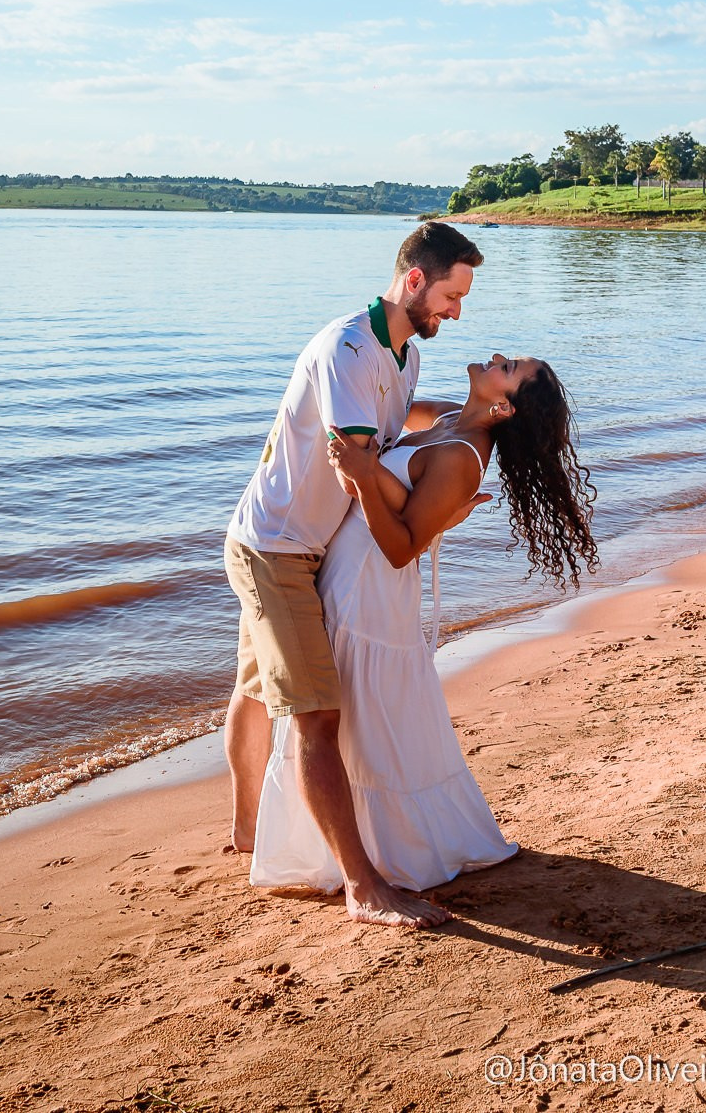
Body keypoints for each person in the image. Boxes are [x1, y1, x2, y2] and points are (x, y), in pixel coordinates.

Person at [247, 354, 598, 901]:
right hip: (346, 569)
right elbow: (386, 412)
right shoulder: (450, 421)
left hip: (367, 587)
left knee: (353, 720)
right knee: (361, 721)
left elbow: (400, 548)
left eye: (510, 368)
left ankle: (377, 855)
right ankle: (356, 844)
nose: (498, 358)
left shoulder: (463, 456)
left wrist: (366, 480)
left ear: (504, 404)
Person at [222, 220, 483, 929]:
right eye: (452, 295)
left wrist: (463, 441)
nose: (456, 312)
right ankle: (361, 885)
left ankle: (250, 829)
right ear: (414, 280)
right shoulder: (349, 346)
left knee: (258, 688)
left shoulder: (404, 359)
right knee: (316, 715)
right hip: (274, 545)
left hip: (308, 543)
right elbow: (358, 463)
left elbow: (388, 447)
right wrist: (434, 501)